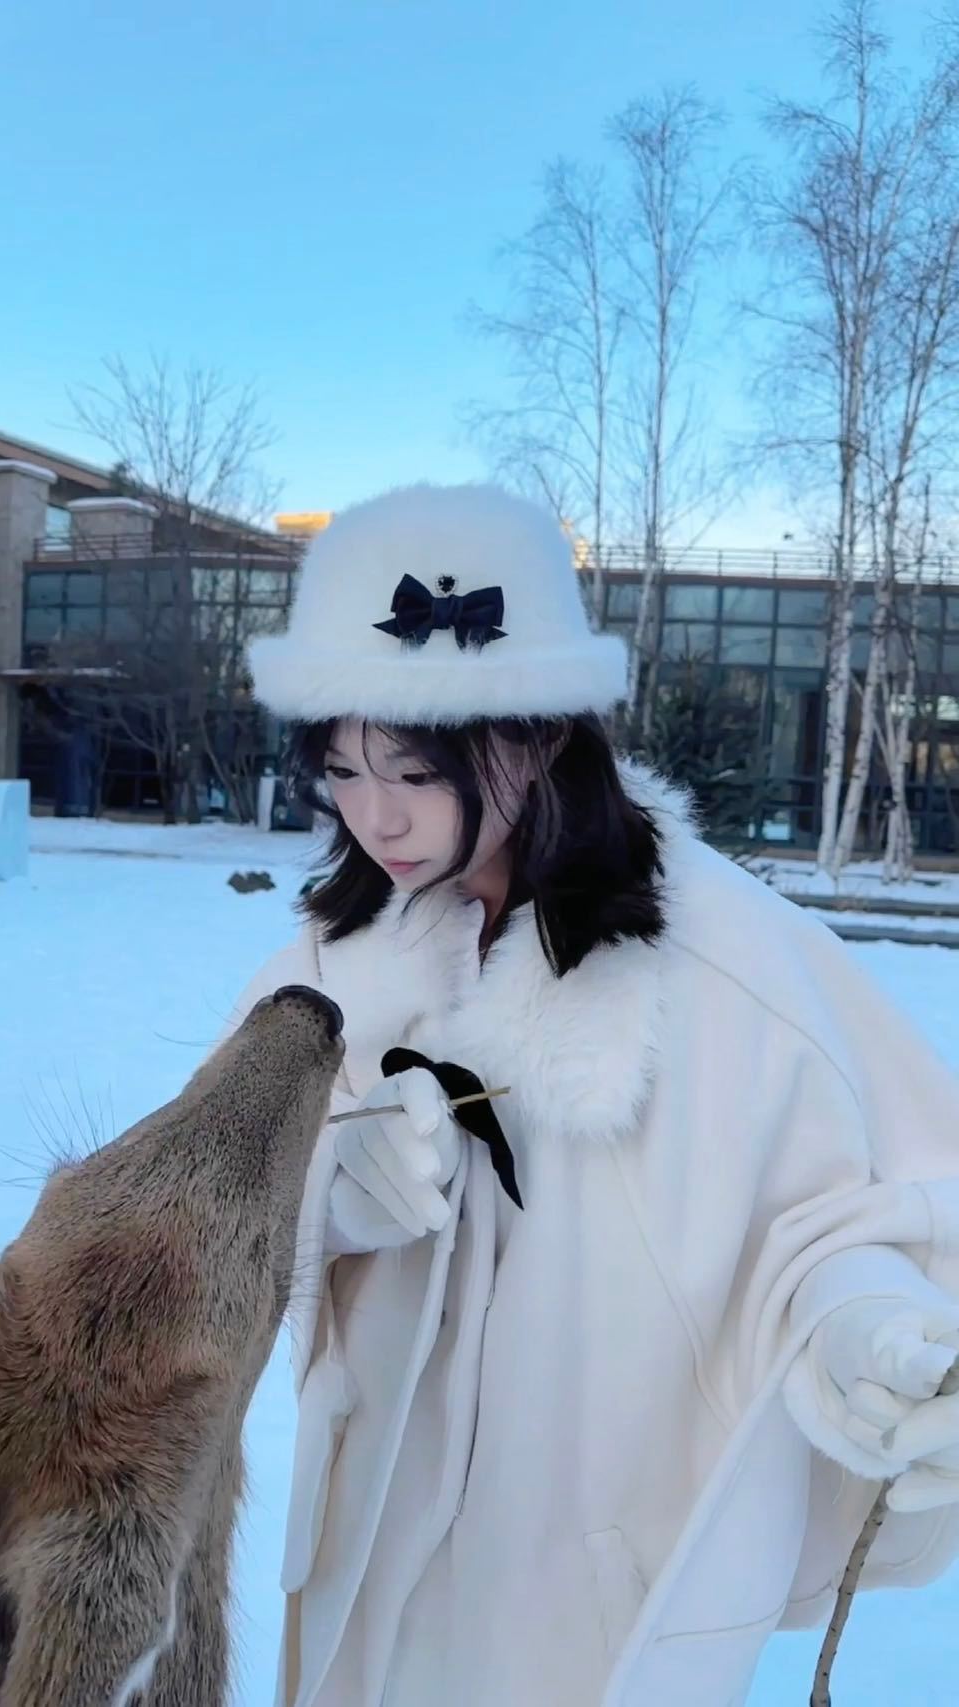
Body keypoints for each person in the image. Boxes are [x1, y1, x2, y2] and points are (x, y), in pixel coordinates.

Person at [229, 482, 959, 1707]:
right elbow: (203, 1193)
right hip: (373, 1544)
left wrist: (863, 1321)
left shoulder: (723, 955)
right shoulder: (335, 956)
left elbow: (872, 1192)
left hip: (583, 1561)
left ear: (536, 736)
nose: (376, 816)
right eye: (342, 770)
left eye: (413, 768)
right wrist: (327, 1193)